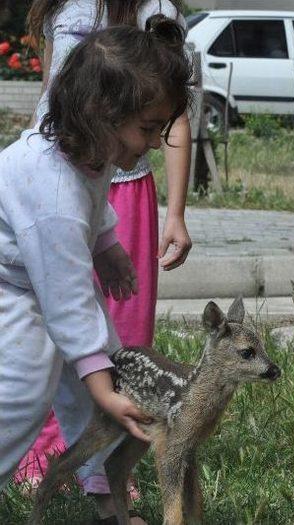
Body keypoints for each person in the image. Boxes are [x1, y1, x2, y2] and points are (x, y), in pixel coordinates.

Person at [0, 18, 192, 525]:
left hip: (41, 282)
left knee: (105, 392)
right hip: (10, 290)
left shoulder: (89, 152)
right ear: (100, 114)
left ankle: (107, 504)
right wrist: (98, 381)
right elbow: (66, 298)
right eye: (148, 128)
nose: (153, 142)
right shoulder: (53, 194)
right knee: (21, 394)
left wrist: (107, 246)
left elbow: (96, 201)